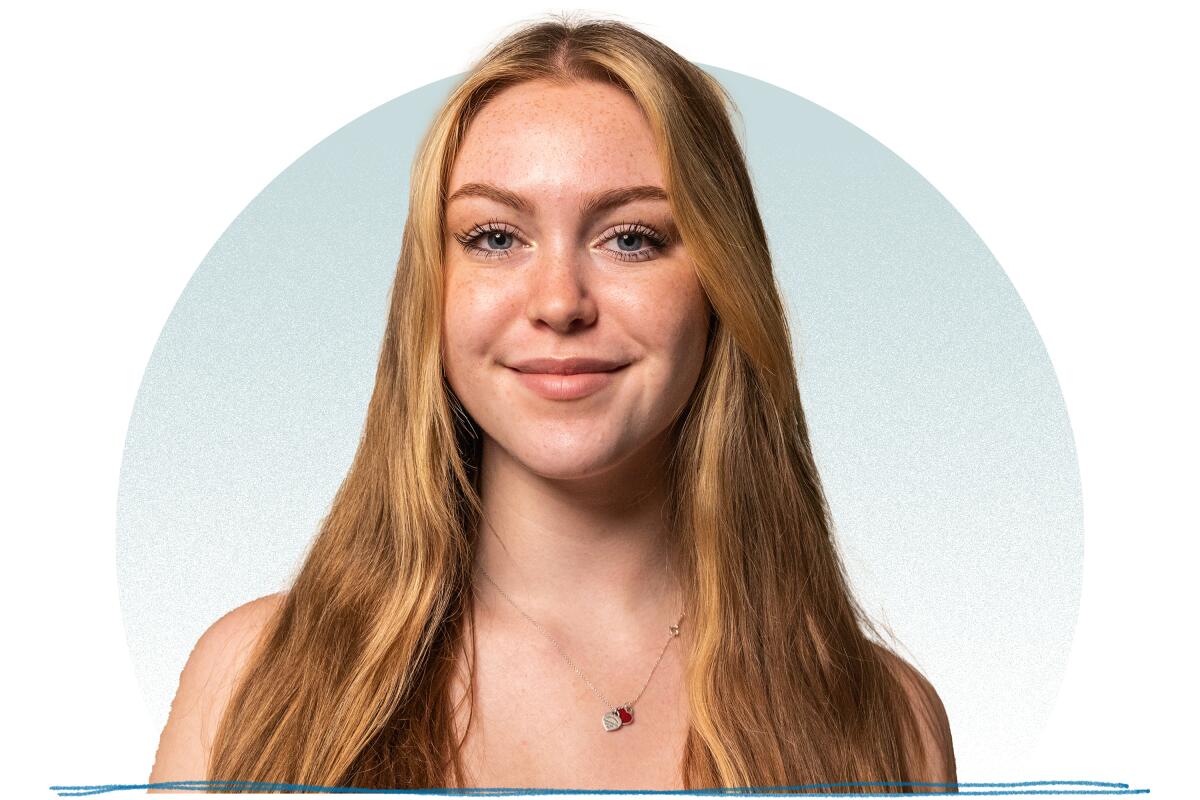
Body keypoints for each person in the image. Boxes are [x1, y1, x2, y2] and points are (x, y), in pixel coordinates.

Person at [149, 13, 956, 792]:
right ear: (431, 291)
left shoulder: (889, 721)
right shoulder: (253, 678)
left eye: (632, 237)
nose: (560, 302)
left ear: (721, 285)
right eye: (496, 237)